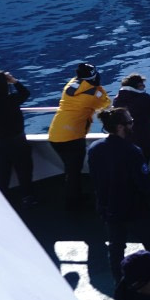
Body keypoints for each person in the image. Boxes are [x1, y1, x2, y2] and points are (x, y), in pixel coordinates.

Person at [88, 107, 150, 284]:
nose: (133, 124)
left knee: (116, 249)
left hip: (109, 208)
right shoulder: (132, 151)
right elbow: (144, 183)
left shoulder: (94, 148)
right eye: (130, 122)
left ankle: (120, 284)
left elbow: (95, 178)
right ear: (120, 127)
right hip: (135, 209)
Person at [48, 63, 111, 209]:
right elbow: (106, 104)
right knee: (73, 171)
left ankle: (74, 197)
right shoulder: (94, 94)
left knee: (70, 169)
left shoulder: (71, 85)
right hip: (72, 136)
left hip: (55, 132)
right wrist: (98, 88)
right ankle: (73, 203)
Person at [0, 70, 36, 206]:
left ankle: (2, 202)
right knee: (24, 170)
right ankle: (28, 197)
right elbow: (25, 93)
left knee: (1, 173)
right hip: (17, 141)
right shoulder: (11, 99)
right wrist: (14, 81)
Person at [113, 73, 150, 168]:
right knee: (142, 167)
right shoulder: (145, 99)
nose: (144, 86)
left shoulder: (118, 99)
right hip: (144, 139)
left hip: (124, 138)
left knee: (127, 167)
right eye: (142, 85)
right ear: (138, 86)